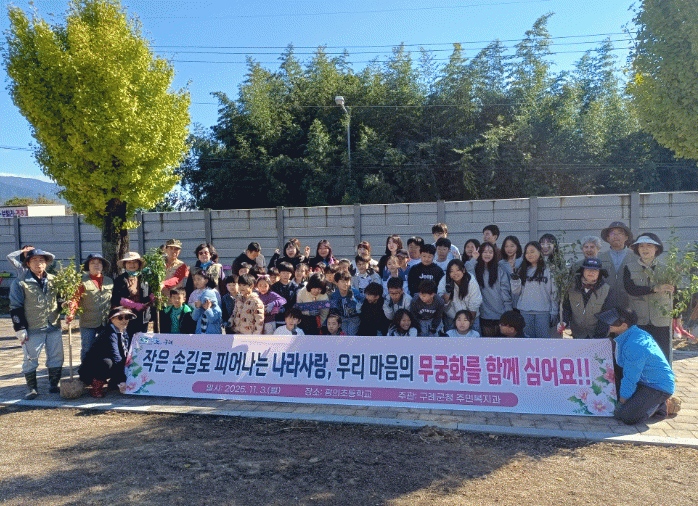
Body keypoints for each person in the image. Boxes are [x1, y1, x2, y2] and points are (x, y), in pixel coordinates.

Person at [602, 308, 675, 425]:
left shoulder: (635, 345)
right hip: (643, 381)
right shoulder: (631, 334)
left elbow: (631, 377)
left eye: (612, 321)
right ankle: (644, 402)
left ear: (624, 325)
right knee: (614, 404)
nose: (608, 324)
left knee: (626, 417)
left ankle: (661, 405)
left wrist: (622, 402)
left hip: (657, 386)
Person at [9, 248, 63, 399]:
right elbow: (15, 307)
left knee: (56, 356)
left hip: (53, 325)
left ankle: (54, 384)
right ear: (28, 263)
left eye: (41, 260)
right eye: (34, 260)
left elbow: (59, 300)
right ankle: (32, 388)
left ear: (46, 263)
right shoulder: (20, 282)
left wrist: (65, 305)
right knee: (30, 358)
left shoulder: (54, 280)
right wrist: (19, 328)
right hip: (33, 327)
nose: (38, 263)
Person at [623, 233, 674, 363]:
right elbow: (631, 290)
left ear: (656, 248)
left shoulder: (667, 269)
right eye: (641, 246)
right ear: (637, 249)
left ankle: (662, 376)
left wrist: (677, 317)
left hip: (661, 320)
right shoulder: (629, 268)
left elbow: (675, 294)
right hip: (639, 319)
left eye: (649, 246)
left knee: (661, 355)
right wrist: (654, 289)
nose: (645, 249)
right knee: (639, 355)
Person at [78, 306, 136, 398]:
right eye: (120, 318)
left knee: (127, 360)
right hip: (90, 370)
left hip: (111, 363)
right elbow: (116, 356)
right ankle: (96, 387)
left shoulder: (123, 331)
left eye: (127, 317)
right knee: (107, 363)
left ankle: (114, 382)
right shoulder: (109, 333)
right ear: (112, 319)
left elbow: (126, 352)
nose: (124, 320)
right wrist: (122, 380)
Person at [65, 253, 114, 360]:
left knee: (105, 347)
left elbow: (113, 300)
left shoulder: (109, 281)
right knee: (87, 348)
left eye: (99, 263)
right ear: (88, 266)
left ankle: (102, 369)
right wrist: (71, 313)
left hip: (105, 321)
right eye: (93, 263)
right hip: (88, 322)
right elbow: (75, 299)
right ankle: (86, 369)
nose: (96, 265)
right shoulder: (81, 281)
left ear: (102, 266)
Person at [511, 241, 557, 338]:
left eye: (532, 251)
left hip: (543, 312)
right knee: (528, 341)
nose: (529, 255)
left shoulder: (549, 270)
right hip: (525, 311)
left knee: (543, 341)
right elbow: (516, 292)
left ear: (540, 252)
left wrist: (554, 311)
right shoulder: (522, 270)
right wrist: (515, 278)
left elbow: (554, 292)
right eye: (527, 252)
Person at [561, 258, 612, 339]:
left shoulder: (606, 289)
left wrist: (598, 336)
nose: (591, 272)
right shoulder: (571, 287)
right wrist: (564, 322)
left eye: (595, 270)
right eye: (588, 269)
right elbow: (566, 308)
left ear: (599, 273)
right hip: (576, 335)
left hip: (597, 336)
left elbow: (606, 315)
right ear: (583, 271)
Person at [475, 243, 513, 337]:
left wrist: (508, 310)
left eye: (490, 252)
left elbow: (505, 290)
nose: (487, 254)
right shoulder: (476, 269)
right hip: (485, 314)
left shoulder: (499, 269)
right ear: (480, 253)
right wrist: (473, 259)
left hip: (501, 313)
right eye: (485, 252)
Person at [111, 252, 152, 335]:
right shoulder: (120, 279)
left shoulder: (145, 278)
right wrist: (134, 305)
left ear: (139, 264)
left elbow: (150, 294)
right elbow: (116, 298)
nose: (132, 265)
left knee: (141, 339)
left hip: (143, 317)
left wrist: (151, 298)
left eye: (135, 262)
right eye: (129, 262)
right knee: (127, 339)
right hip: (126, 317)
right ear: (125, 264)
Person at [598, 221, 634, 311]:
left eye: (620, 233)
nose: (616, 236)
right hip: (605, 306)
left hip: (630, 307)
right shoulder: (599, 258)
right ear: (608, 238)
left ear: (626, 237)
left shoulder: (636, 257)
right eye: (612, 233)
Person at [438, 259, 482, 332]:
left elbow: (474, 303)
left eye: (458, 270)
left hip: (471, 316)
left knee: (473, 337)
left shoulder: (471, 280)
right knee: (451, 338)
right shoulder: (445, 280)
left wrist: (469, 322)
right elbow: (440, 298)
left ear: (463, 270)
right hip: (452, 317)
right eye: (451, 271)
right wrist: (445, 298)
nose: (455, 273)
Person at [330, 271, 363, 335]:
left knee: (351, 333)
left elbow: (360, 307)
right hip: (342, 318)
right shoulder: (335, 295)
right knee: (344, 334)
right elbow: (333, 310)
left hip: (354, 318)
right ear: (336, 283)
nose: (345, 283)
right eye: (342, 281)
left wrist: (353, 299)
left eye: (347, 281)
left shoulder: (354, 293)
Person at [271, 262, 298, 330]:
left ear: (291, 274)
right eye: (283, 273)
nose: (286, 275)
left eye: (288, 273)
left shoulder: (295, 287)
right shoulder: (274, 287)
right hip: (277, 318)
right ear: (279, 273)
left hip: (291, 318)